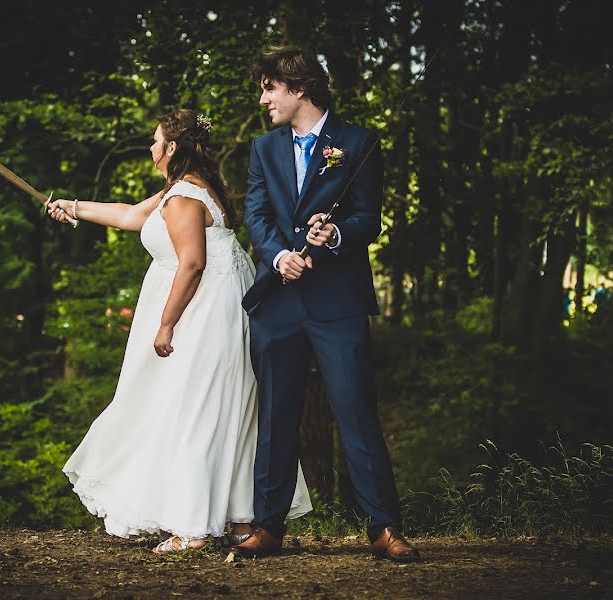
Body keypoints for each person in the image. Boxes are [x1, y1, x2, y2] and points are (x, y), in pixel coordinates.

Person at [48, 109, 312, 554]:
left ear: (172, 147)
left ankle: (193, 526)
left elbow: (192, 263)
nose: (151, 148)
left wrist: (166, 323)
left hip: (204, 311)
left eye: (155, 141)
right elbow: (131, 215)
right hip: (213, 305)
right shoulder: (184, 189)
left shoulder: (184, 197)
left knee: (196, 406)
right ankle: (237, 518)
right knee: (216, 405)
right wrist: (72, 208)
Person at [229, 46, 420, 561]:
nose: (264, 97)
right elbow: (257, 215)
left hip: (338, 303)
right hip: (279, 303)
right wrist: (275, 257)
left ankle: (384, 528)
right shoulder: (262, 148)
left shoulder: (358, 143)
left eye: (271, 87)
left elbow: (368, 218)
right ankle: (267, 528)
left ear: (300, 89)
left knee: (356, 411)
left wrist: (335, 233)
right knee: (274, 417)